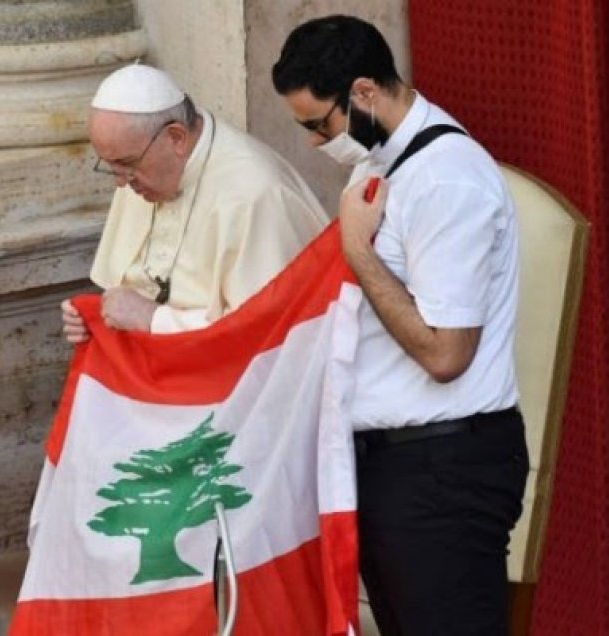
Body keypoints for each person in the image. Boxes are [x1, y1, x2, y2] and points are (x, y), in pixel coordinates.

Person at [272, 15, 528, 636]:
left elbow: (446, 353)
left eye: (319, 124)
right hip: (395, 469)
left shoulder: (446, 179)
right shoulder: (380, 163)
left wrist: (359, 255)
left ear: (362, 92)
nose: (313, 143)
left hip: (443, 467)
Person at [61, 63, 327, 340]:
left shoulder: (256, 195)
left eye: (127, 164)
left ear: (176, 137)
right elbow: (126, 290)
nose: (120, 182)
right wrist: (96, 320)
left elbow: (268, 334)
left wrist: (155, 320)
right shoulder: (139, 172)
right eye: (111, 165)